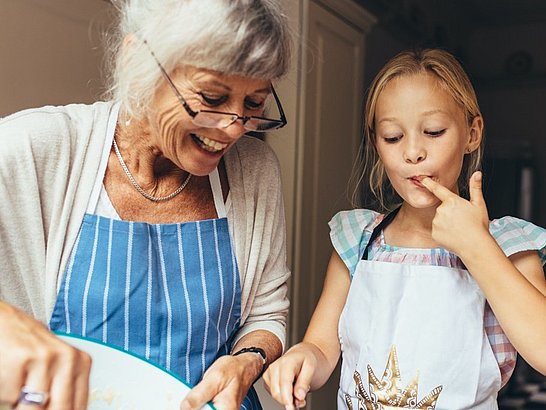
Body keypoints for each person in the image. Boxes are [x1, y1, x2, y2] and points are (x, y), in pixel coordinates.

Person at [0, 0, 292, 409]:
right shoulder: (34, 148)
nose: (232, 127)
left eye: (254, 103)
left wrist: (247, 360)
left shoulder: (256, 171)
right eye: (211, 96)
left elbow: (266, 312)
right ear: (138, 59)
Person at [263, 48, 546, 409]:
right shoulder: (358, 240)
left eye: (433, 131)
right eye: (393, 137)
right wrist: (302, 358)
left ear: (472, 133)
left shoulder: (508, 244)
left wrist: (477, 246)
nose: (413, 152)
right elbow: (321, 347)